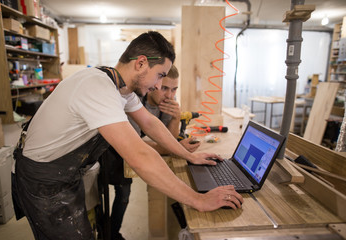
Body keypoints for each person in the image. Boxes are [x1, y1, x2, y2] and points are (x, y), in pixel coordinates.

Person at [12, 31, 243, 240]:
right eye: (159, 75)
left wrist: (187, 155)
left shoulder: (120, 88)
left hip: (65, 173)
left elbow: (150, 123)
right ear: (141, 63)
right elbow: (140, 155)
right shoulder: (97, 86)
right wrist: (198, 200)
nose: (159, 85)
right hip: (42, 179)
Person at [105, 65, 200, 240]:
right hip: (115, 151)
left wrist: (176, 118)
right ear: (154, 84)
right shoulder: (134, 101)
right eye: (164, 88)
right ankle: (112, 233)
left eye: (174, 89)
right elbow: (137, 145)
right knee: (123, 194)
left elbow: (167, 140)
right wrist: (180, 149)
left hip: (137, 147)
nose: (169, 95)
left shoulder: (166, 102)